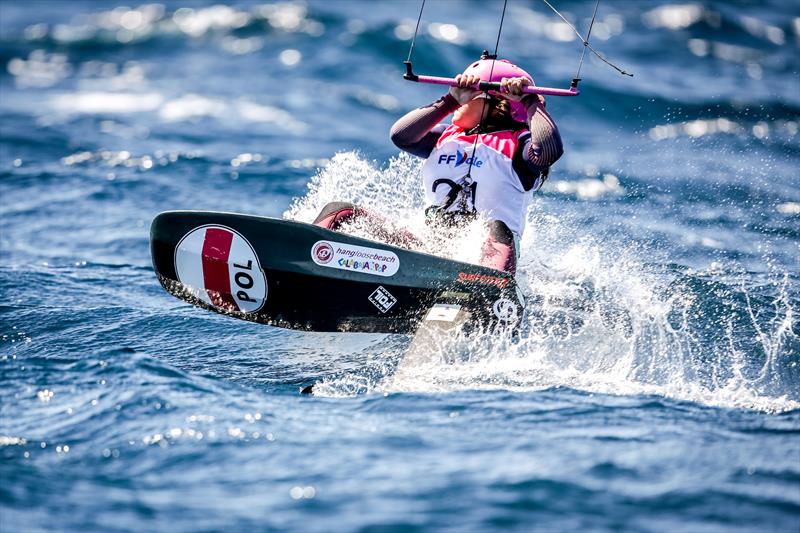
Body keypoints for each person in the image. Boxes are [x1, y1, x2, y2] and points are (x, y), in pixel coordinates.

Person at [314, 55, 563, 275]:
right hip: (429, 250)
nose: (459, 92)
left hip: (484, 261)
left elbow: (549, 150)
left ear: (499, 104)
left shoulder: (519, 147)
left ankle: (487, 291)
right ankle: (307, 259)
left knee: (497, 228)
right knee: (340, 211)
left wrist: (531, 103)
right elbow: (400, 136)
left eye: (471, 92)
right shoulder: (444, 138)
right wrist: (450, 100)